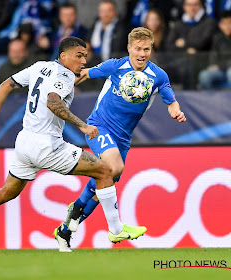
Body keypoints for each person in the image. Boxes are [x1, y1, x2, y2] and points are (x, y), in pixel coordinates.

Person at [0, 36, 146, 254]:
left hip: (24, 143)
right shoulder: (65, 76)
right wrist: (82, 126)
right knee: (105, 170)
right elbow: (53, 101)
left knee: (7, 192)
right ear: (63, 56)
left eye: (85, 56)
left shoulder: (39, 67)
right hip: (47, 145)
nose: (82, 61)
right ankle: (116, 229)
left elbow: (7, 84)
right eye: (78, 56)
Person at [53, 27, 186, 252]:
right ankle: (115, 231)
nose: (142, 54)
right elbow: (84, 74)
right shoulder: (116, 66)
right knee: (113, 167)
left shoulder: (158, 75)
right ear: (129, 48)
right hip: (99, 126)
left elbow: (170, 100)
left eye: (147, 49)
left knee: (106, 180)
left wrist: (175, 111)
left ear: (151, 49)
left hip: (123, 138)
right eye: (138, 49)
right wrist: (60, 87)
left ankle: (66, 228)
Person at [198, 11, 231, 89]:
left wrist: (220, 66)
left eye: (229, 23)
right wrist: (213, 65)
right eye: (224, 23)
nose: (227, 26)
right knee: (204, 75)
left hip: (225, 68)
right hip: (220, 71)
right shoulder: (217, 38)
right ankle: (211, 100)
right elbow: (213, 56)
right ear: (220, 25)